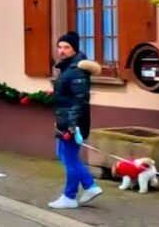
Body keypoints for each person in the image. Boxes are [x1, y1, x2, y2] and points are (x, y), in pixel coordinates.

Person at [48, 31, 104, 209]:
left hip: (73, 123)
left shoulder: (76, 70)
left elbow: (80, 100)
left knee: (70, 158)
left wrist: (71, 125)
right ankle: (89, 186)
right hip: (66, 120)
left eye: (67, 47)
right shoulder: (67, 67)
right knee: (64, 154)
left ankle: (70, 196)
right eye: (60, 46)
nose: (62, 50)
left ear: (74, 49)